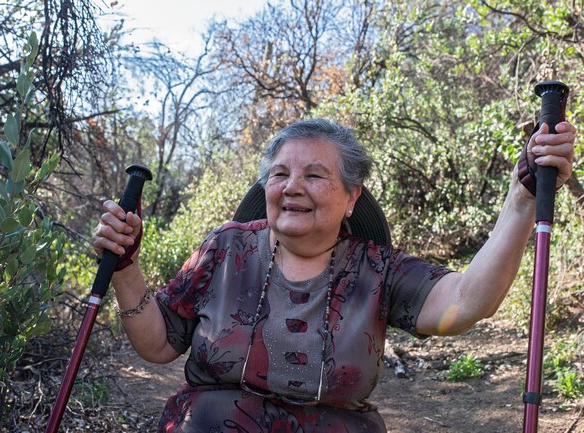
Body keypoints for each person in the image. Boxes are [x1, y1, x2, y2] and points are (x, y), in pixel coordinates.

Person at [91, 118, 576, 432]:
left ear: (351, 198)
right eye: (279, 175)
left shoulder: (378, 269)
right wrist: (126, 267)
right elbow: (157, 346)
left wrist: (522, 199)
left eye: (315, 176)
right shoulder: (227, 248)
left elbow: (464, 303)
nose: (292, 187)